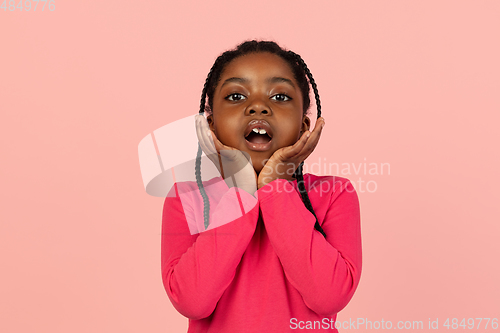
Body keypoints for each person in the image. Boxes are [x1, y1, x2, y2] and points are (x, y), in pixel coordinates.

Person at [161, 40, 362, 332]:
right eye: (235, 96)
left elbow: (328, 297)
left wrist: (276, 187)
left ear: (304, 127)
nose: (258, 106)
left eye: (280, 96)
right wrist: (241, 191)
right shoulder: (187, 198)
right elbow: (192, 302)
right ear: (210, 126)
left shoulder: (336, 194)